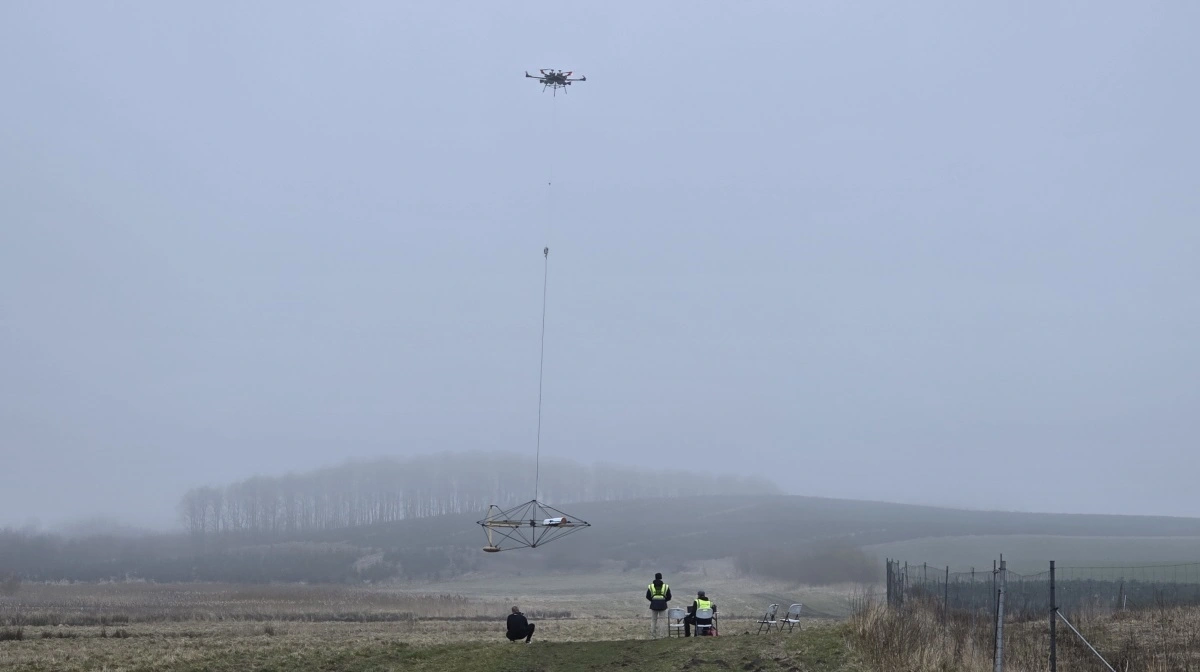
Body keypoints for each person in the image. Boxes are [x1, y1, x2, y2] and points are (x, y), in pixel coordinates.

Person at [646, 572, 672, 638]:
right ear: (661, 577)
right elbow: (669, 596)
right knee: (662, 620)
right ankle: (662, 635)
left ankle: (652, 635)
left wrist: (653, 600)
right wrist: (664, 600)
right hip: (662, 604)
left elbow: (647, 596)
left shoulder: (651, 586)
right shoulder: (665, 586)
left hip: (654, 604)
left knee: (654, 620)